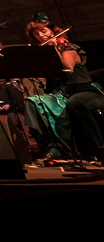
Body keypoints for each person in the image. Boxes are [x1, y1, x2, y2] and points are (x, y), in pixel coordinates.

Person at [23, 22, 104, 162]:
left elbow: (67, 68)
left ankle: (99, 147)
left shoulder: (68, 47)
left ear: (53, 31)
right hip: (61, 94)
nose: (41, 36)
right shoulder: (45, 54)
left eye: (43, 31)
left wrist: (56, 51)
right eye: (36, 34)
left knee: (75, 103)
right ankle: (53, 146)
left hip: (85, 91)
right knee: (33, 102)